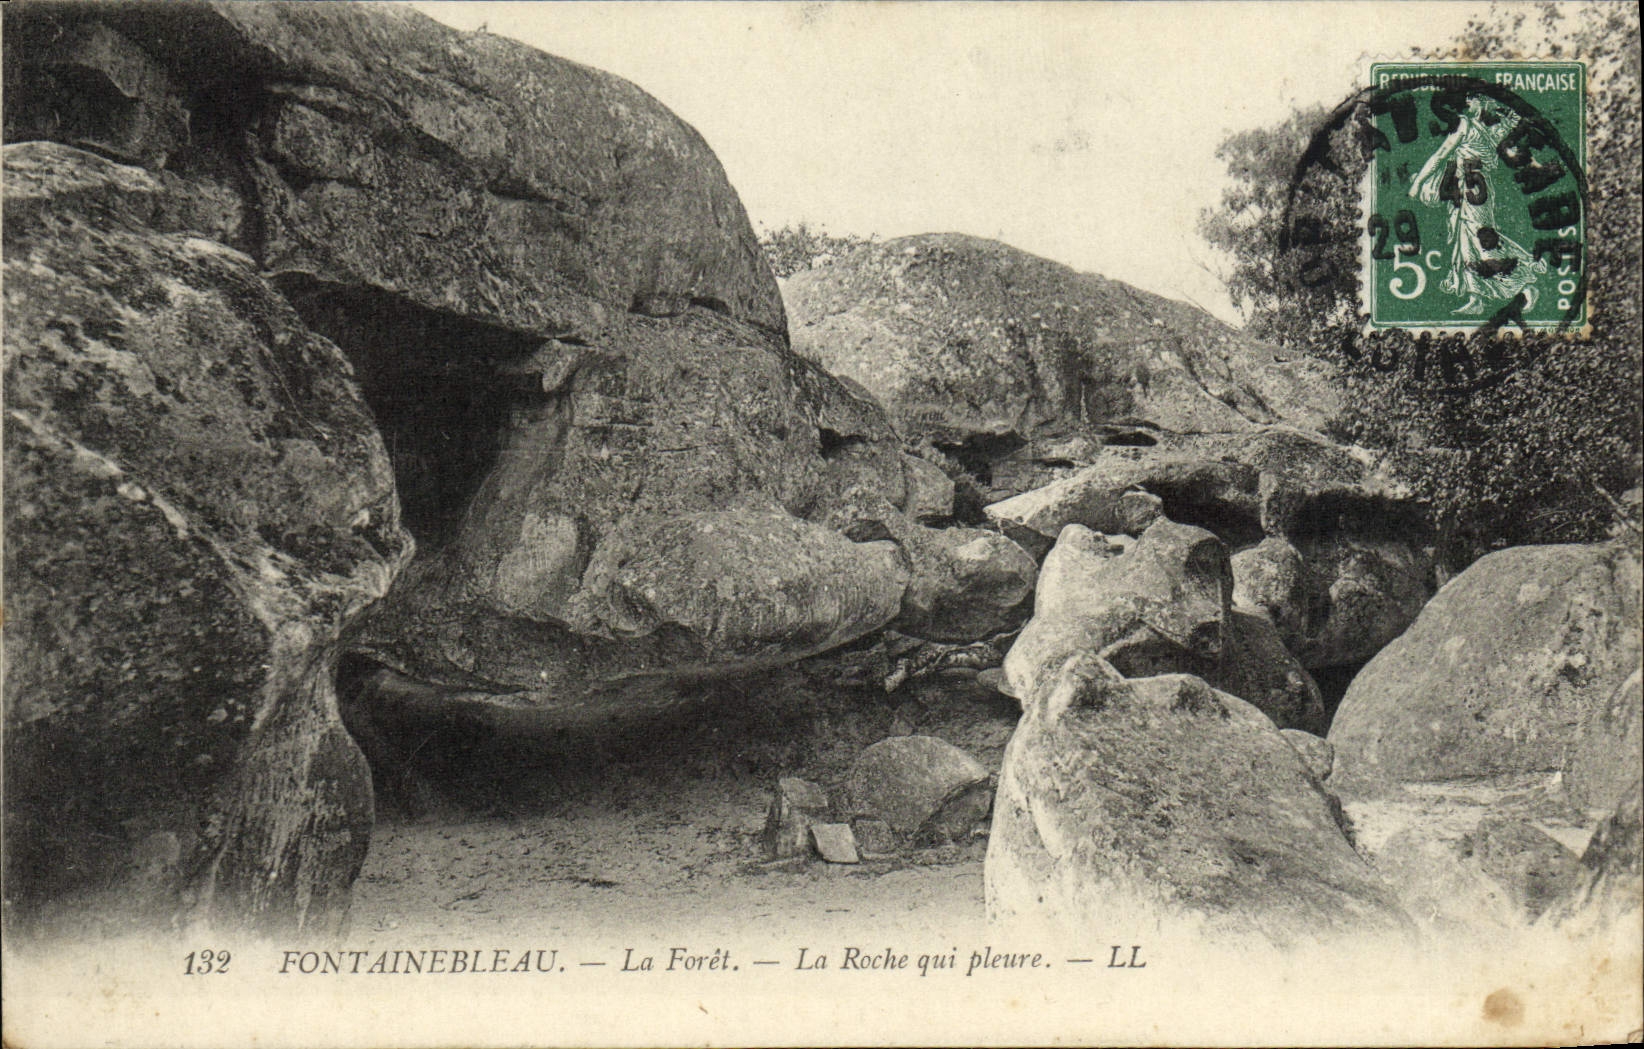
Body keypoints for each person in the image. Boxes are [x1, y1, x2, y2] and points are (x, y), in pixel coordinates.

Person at [1408, 95, 1548, 315]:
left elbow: (1441, 154)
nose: (1467, 104)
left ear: (1482, 102)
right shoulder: (1495, 132)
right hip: (1469, 192)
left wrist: (1418, 183)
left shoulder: (1466, 124)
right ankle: (1476, 298)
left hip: (1472, 192)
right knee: (1467, 243)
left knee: (1479, 243)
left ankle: (1524, 285)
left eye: (1471, 100)